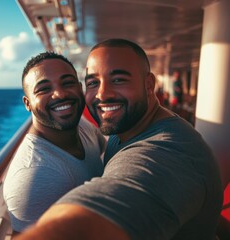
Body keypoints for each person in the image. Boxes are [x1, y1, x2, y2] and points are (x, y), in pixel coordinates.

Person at [14, 39, 223, 240]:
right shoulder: (127, 127)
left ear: (149, 84)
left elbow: (87, 224)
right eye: (93, 82)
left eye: (118, 79)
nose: (103, 94)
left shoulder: (170, 152)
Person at [3, 51, 105, 235]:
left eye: (68, 83)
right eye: (43, 89)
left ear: (79, 87)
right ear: (27, 103)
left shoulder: (83, 126)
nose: (60, 94)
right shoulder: (35, 176)